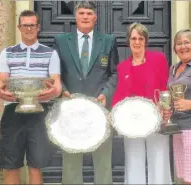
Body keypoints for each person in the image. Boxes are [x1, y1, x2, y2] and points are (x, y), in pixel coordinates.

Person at [54, 1, 119, 184]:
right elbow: (55, 73)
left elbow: (114, 73)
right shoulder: (60, 41)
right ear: (75, 16)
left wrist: (106, 93)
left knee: (103, 161)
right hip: (70, 109)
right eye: (81, 13)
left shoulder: (108, 41)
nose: (85, 17)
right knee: (72, 161)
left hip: (99, 109)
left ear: (95, 17)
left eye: (89, 13)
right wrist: (63, 92)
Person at [0, 10, 62, 184]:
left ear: (38, 27)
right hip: (13, 112)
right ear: (19, 27)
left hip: (40, 112)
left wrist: (52, 92)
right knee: (10, 164)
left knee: (36, 164)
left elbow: (57, 85)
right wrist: (0, 92)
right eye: (25, 25)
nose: (29, 29)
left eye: (32, 25)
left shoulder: (50, 53)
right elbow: (1, 82)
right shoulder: (7, 52)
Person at [112, 23, 172, 184]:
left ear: (146, 41)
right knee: (133, 160)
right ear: (128, 41)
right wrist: (114, 113)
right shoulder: (122, 67)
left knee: (159, 158)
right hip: (132, 121)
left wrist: (166, 109)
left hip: (157, 116)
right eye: (133, 38)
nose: (137, 42)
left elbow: (166, 85)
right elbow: (119, 95)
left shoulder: (158, 59)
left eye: (140, 38)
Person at [165, 29, 191, 185]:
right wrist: (168, 109)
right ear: (175, 48)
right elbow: (174, 97)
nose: (183, 46)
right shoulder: (173, 69)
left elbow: (187, 102)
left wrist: (190, 104)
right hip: (179, 129)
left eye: (187, 42)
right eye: (179, 43)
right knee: (185, 178)